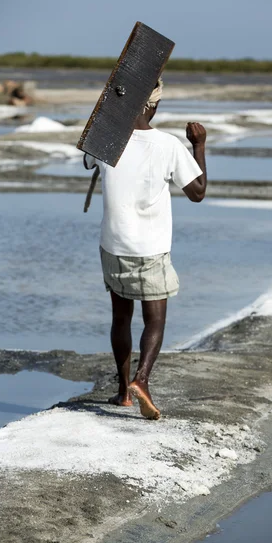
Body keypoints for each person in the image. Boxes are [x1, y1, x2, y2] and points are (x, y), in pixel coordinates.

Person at [84, 78, 207, 420]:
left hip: (113, 243)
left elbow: (88, 160)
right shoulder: (167, 145)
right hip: (149, 247)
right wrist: (198, 145)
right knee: (154, 319)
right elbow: (197, 192)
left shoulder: (107, 139)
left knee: (120, 317)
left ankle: (123, 392)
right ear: (154, 105)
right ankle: (142, 380)